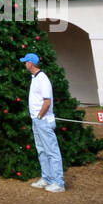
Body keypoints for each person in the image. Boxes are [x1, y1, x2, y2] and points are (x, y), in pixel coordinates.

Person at [20, 51, 65, 192]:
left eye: (26, 62)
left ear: (31, 63)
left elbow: (47, 101)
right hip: (37, 120)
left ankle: (58, 182)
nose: (25, 64)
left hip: (43, 120)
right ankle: (47, 178)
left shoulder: (42, 78)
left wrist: (39, 116)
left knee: (51, 151)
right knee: (42, 151)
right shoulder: (35, 78)